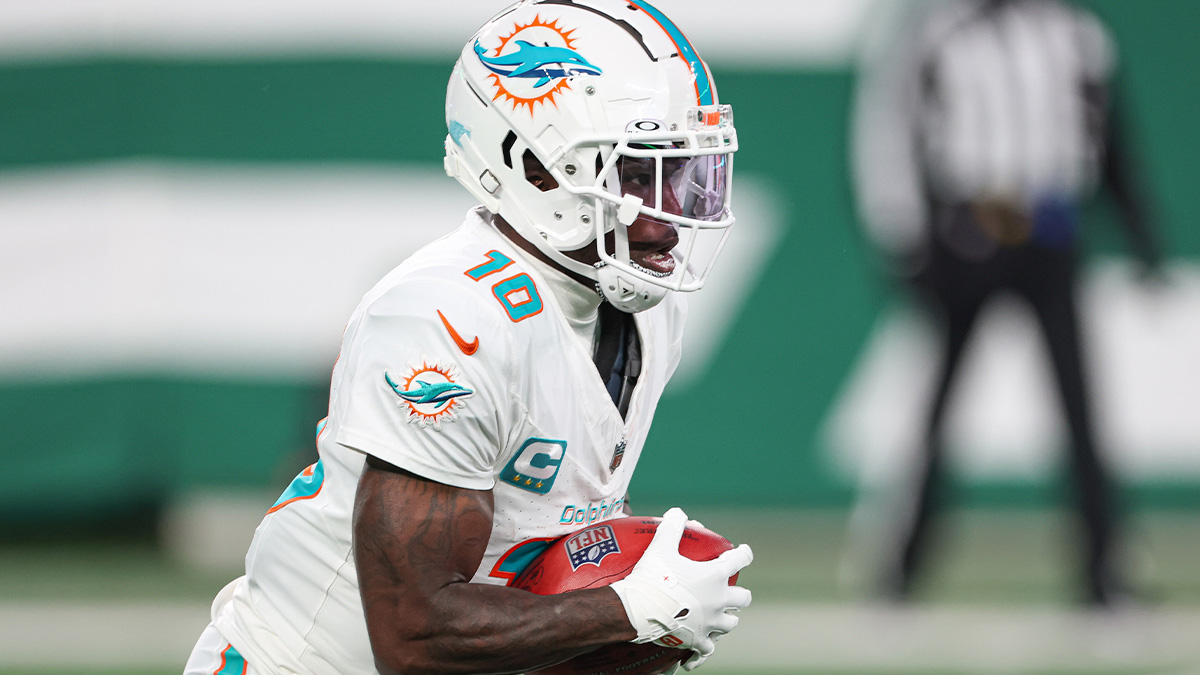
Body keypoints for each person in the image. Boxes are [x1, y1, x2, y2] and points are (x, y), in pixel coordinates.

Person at [183, 1, 753, 673]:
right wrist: (629, 609)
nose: (670, 219)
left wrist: (628, 628)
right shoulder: (450, 320)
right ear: (536, 165)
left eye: (683, 176)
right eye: (637, 176)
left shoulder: (645, 308)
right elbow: (412, 634)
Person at [851, 0, 1162, 606]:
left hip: (1052, 233)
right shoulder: (938, 30)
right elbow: (890, 130)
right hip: (970, 231)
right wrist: (905, 236)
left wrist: (1139, 229)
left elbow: (1110, 135)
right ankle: (900, 569)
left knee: (1081, 408)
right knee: (936, 411)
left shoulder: (1077, 32)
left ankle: (1104, 573)